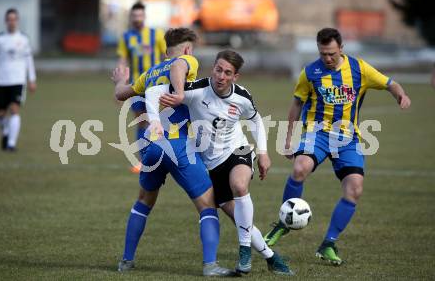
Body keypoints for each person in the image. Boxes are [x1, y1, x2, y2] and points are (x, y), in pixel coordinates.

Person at [263, 27, 411, 265]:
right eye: (323, 54)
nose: (328, 58)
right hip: (317, 133)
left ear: (341, 48)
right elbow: (296, 105)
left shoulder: (359, 69)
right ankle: (283, 223)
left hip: (348, 138)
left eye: (331, 53)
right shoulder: (310, 72)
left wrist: (400, 96)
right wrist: (288, 138)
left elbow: (389, 83)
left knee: (355, 189)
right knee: (300, 168)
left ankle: (328, 243)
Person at [145, 50, 294, 276]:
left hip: (239, 149)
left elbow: (255, 121)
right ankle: (271, 257)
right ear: (213, 68)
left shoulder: (242, 97)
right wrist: (155, 120)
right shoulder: (196, 90)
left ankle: (244, 250)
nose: (221, 76)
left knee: (240, 185)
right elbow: (154, 90)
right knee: (238, 217)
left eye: (227, 73)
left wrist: (262, 153)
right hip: (212, 164)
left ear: (235, 77)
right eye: (218, 69)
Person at [112, 28, 235, 277]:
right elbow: (179, 66)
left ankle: (126, 261)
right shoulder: (187, 60)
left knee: (143, 202)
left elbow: (120, 94)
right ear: (188, 49)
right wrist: (179, 93)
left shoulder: (149, 73)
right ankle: (210, 265)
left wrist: (119, 80)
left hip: (152, 146)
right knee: (208, 206)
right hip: (179, 146)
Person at [116, 1, 166, 173]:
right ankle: (144, 160)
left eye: (140, 15)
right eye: (134, 16)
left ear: (144, 16)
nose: (137, 19)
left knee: (160, 121)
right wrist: (120, 84)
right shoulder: (126, 37)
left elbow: (166, 57)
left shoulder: (156, 34)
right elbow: (123, 60)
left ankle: (162, 156)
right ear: (131, 17)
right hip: (136, 86)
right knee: (142, 121)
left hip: (156, 85)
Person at [0, 8, 36, 151]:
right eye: (9, 19)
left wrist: (32, 79)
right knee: (0, 113)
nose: (12, 22)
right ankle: (5, 132)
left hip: (18, 80)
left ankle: (11, 143)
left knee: (14, 109)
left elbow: (29, 60)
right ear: (6, 21)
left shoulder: (23, 39)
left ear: (17, 21)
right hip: (1, 80)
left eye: (14, 19)